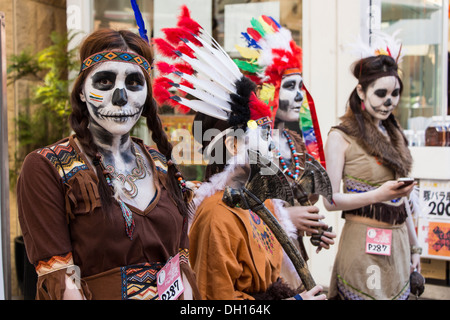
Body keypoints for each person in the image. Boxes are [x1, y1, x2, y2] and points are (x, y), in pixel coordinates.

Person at [152, 6, 326, 300]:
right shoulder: (215, 217)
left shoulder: (265, 203)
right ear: (234, 146)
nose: (270, 146)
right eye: (262, 136)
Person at [17, 28, 200, 300]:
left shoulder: (161, 163)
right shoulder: (48, 167)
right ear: (81, 92)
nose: (121, 96)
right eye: (104, 81)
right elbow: (62, 280)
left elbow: (180, 263)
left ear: (147, 94)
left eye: (134, 83)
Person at [234, 15, 336, 289]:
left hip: (294, 264)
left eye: (301, 85)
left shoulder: (293, 141)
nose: (300, 95)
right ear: (267, 90)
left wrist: (312, 228)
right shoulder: (242, 143)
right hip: (257, 265)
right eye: (290, 86)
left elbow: (299, 204)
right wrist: (287, 218)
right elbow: (224, 208)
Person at [323, 31, 421, 300]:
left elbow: (402, 201)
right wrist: (379, 195)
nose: (389, 101)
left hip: (399, 245)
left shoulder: (394, 132)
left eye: (395, 93)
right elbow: (329, 201)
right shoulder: (340, 136)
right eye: (381, 93)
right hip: (363, 245)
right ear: (361, 91)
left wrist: (415, 249)